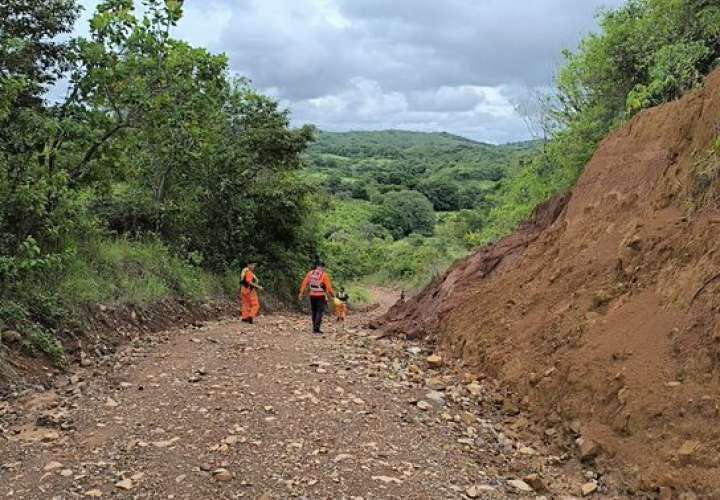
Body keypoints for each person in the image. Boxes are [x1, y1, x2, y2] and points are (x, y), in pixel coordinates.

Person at [299, 262, 335, 335]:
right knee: (319, 312)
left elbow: (304, 283)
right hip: (321, 296)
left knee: (314, 312)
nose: (324, 269)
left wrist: (301, 293)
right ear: (322, 267)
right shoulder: (324, 275)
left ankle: (314, 328)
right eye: (324, 268)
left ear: (316, 266)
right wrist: (333, 295)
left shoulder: (310, 273)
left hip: (312, 295)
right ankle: (316, 330)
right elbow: (329, 287)